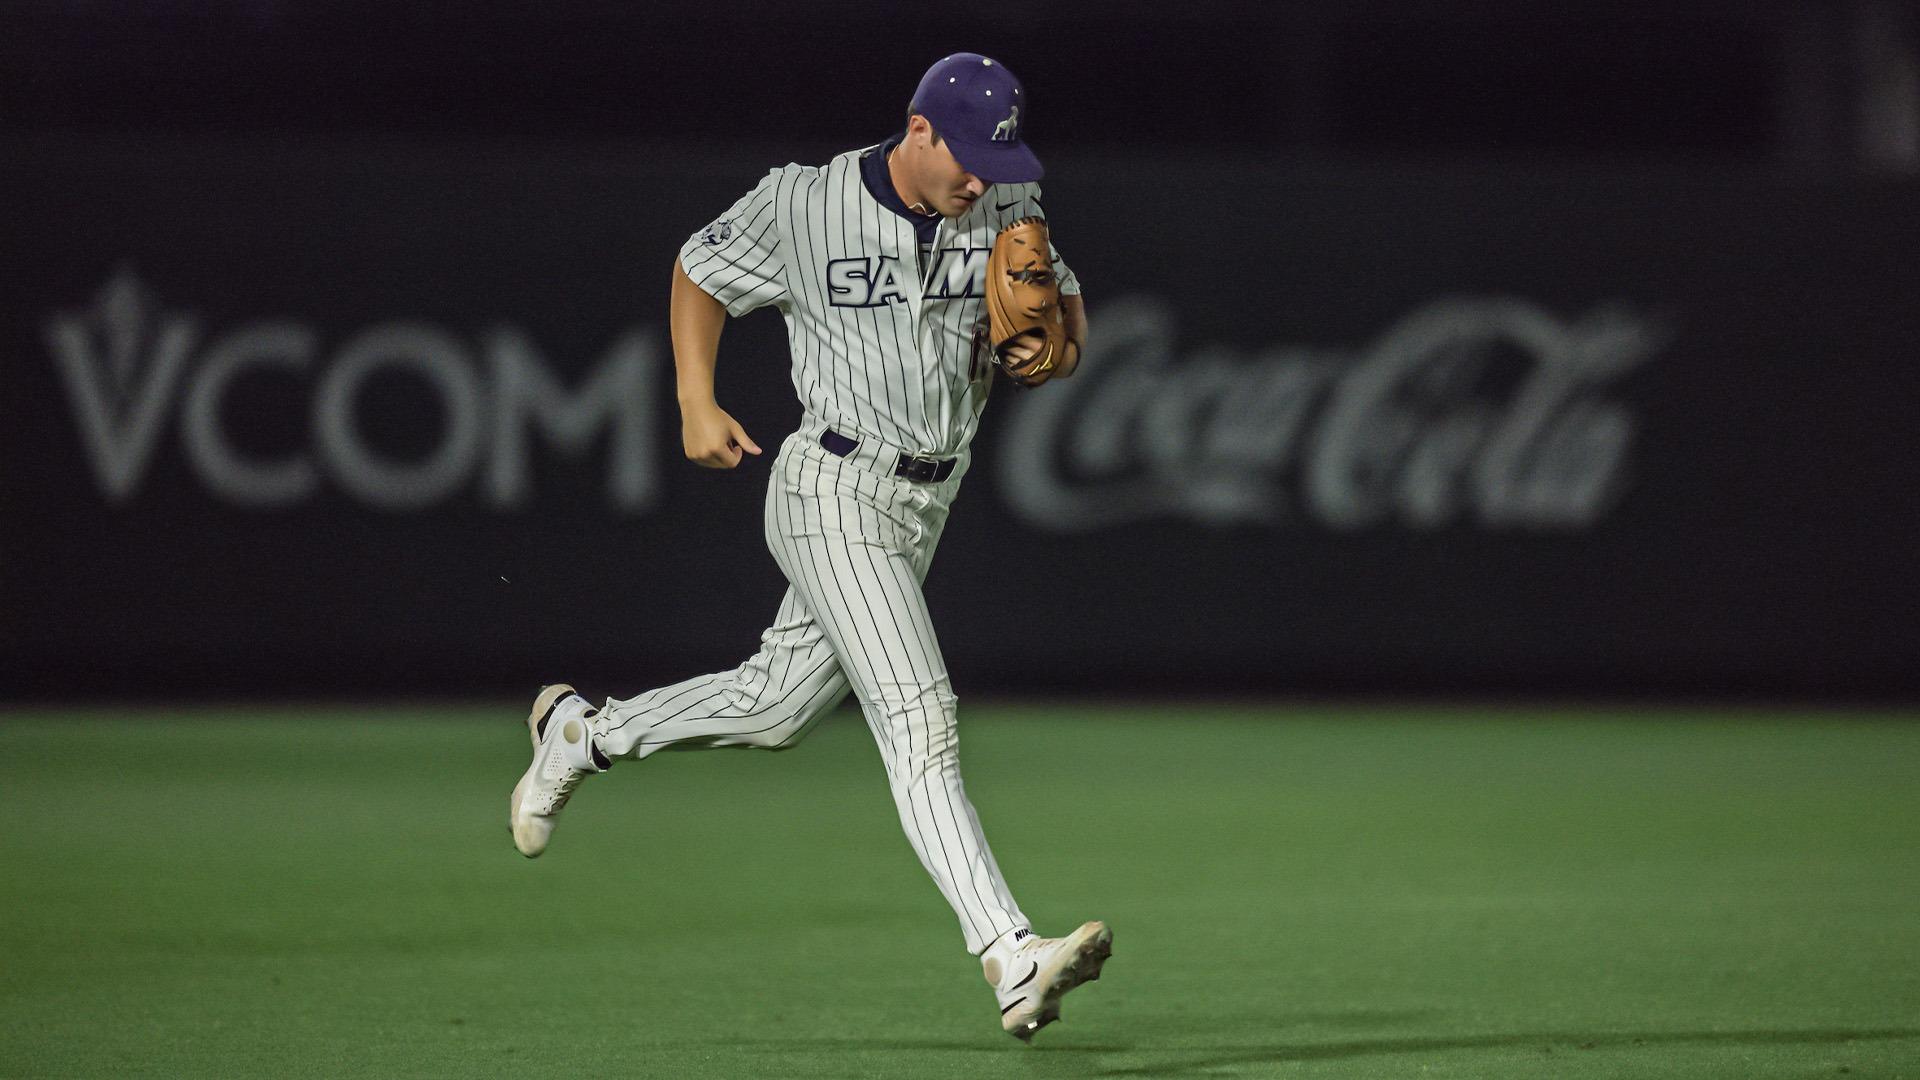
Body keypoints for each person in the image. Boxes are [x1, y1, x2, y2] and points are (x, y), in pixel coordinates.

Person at [507, 52, 1108, 1041]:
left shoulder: (1010, 201)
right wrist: (697, 400)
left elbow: (1063, 329)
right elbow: (699, 270)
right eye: (961, 158)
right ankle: (1010, 954)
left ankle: (585, 733)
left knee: (776, 707)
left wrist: (1052, 338)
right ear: (918, 131)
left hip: (925, 501)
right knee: (921, 715)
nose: (977, 181)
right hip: (829, 483)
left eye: (993, 165)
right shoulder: (804, 202)